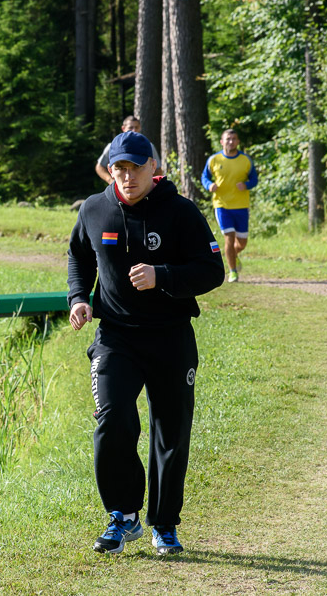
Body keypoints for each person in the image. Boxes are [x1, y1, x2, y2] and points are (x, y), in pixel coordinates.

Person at [68, 131, 225, 556]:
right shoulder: (95, 209)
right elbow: (79, 257)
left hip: (170, 337)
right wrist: (79, 297)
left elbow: (213, 270)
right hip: (115, 336)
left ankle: (165, 524)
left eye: (135, 167)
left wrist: (164, 277)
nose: (127, 176)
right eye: (119, 168)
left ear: (153, 168)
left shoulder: (181, 212)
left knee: (169, 431)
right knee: (112, 419)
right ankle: (122, 515)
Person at [201, 129, 258, 283]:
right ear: (222, 141)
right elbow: (204, 177)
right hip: (222, 205)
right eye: (228, 139)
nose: (231, 142)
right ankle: (232, 271)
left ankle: (233, 255)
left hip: (241, 205)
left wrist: (246, 185)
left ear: (238, 142)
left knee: (242, 242)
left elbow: (254, 179)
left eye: (234, 139)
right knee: (229, 237)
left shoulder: (245, 160)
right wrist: (209, 185)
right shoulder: (214, 159)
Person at [95, 116, 154, 184]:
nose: (134, 130)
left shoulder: (149, 146)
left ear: (140, 128)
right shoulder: (112, 147)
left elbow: (158, 170)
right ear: (123, 128)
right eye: (131, 127)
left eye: (136, 127)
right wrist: (110, 181)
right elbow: (99, 167)